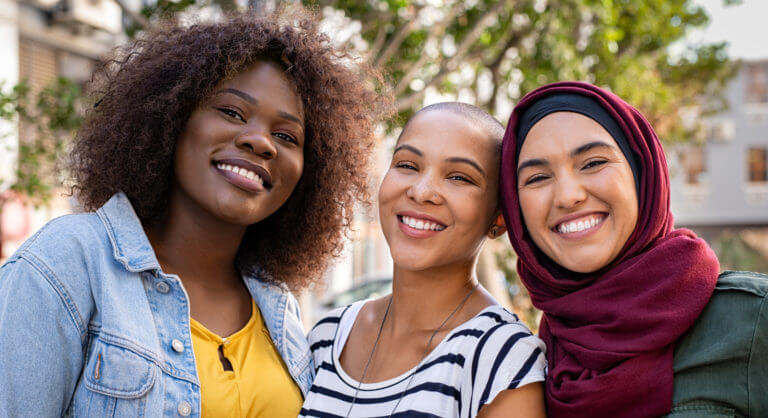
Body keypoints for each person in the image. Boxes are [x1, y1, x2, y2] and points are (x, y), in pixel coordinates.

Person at [0, 8, 390, 417]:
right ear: (171, 118)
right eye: (232, 112)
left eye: (285, 136)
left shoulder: (277, 308)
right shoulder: (67, 264)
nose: (261, 142)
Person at [499, 81, 768, 417]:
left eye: (593, 162)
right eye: (537, 178)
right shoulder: (522, 365)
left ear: (643, 174)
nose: (568, 196)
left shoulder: (752, 321)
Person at [300, 103, 547, 418]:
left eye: (459, 177)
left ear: (500, 218)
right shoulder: (329, 335)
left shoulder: (502, 357)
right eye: (407, 165)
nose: (421, 191)